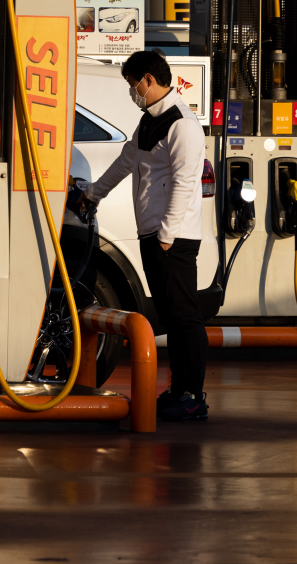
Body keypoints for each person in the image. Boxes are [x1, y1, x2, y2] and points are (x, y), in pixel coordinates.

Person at [82, 50, 208, 421]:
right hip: (153, 233)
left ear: (149, 80)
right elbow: (126, 161)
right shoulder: (150, 121)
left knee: (185, 317)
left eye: (133, 84)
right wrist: (93, 194)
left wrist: (167, 235)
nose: (132, 91)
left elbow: (186, 182)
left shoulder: (182, 123)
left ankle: (193, 397)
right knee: (171, 318)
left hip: (174, 238)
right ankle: (179, 389)